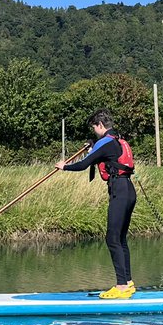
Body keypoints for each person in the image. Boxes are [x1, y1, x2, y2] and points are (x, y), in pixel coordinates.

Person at [55, 109, 137, 298]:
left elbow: (83, 164)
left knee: (112, 238)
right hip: (128, 190)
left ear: (100, 125)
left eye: (94, 128)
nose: (94, 132)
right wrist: (93, 146)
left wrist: (64, 166)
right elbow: (104, 155)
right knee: (120, 238)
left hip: (120, 191)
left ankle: (122, 286)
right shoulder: (116, 139)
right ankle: (128, 283)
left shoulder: (106, 143)